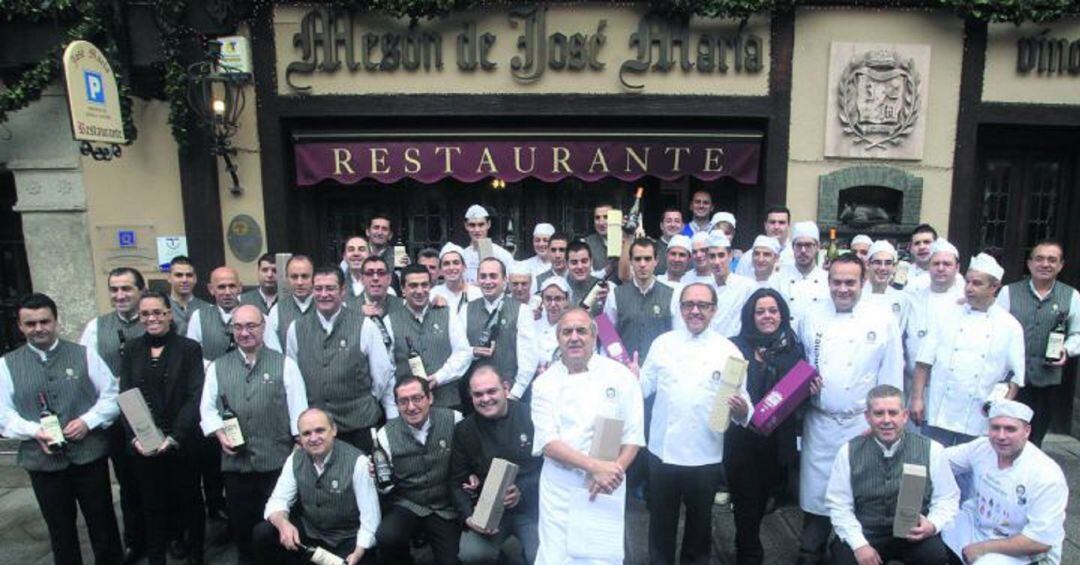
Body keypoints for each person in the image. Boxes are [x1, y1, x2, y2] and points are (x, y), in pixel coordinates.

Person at [0, 293, 123, 565]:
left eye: (44, 321)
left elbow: (111, 395)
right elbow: (3, 414)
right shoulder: (6, 365)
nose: (38, 328)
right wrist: (34, 431)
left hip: (88, 456)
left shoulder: (84, 354)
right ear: (20, 326)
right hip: (43, 462)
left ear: (56, 321)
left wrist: (87, 421)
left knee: (102, 521)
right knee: (60, 529)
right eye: (30, 324)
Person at [796, 254, 904, 564]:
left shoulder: (882, 318)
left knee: (860, 500)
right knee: (817, 503)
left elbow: (892, 376)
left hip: (862, 426)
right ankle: (809, 553)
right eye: (837, 282)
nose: (843, 289)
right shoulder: (811, 314)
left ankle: (852, 554)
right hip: (820, 423)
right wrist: (805, 387)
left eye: (850, 283)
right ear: (827, 281)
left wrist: (883, 423)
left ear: (863, 282)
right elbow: (799, 365)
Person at [640, 283, 751, 565]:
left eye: (702, 305)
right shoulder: (662, 344)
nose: (695, 311)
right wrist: (629, 376)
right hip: (662, 450)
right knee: (660, 523)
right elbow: (641, 389)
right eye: (689, 304)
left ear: (714, 310)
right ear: (680, 309)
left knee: (700, 525)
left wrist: (741, 410)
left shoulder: (729, 351)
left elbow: (742, 402)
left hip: (706, 453)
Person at [530, 308, 645, 564]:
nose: (574, 337)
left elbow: (633, 437)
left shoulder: (621, 376)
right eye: (566, 331)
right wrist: (595, 467)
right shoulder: (543, 384)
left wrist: (611, 474)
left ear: (594, 336)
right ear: (557, 339)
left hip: (606, 485)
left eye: (581, 330)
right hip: (560, 487)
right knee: (556, 557)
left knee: (600, 557)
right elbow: (548, 443)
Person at [200, 304, 308, 565]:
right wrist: (219, 433)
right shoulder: (218, 367)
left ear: (263, 327)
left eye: (251, 326)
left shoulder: (285, 364)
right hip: (236, 466)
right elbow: (207, 409)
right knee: (243, 528)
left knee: (275, 528)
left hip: (277, 464)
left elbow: (299, 412)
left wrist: (297, 448)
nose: (244, 332)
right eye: (238, 327)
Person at [825, 385, 959, 565]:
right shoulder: (848, 451)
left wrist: (933, 524)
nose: (886, 420)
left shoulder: (932, 450)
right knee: (844, 560)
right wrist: (859, 545)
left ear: (904, 416)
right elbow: (838, 503)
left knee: (934, 556)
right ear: (867, 417)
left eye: (893, 413)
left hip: (913, 533)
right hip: (866, 533)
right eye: (879, 413)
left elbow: (947, 497)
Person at [724, 288, 811, 565]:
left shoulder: (793, 350)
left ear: (782, 314)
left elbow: (796, 398)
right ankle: (749, 552)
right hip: (741, 441)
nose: (767, 316)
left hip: (776, 443)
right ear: (750, 316)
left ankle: (745, 541)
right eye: (760, 311)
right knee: (746, 502)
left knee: (761, 502)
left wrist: (810, 389)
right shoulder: (734, 346)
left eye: (773, 311)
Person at [120, 291, 207, 565]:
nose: (152, 318)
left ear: (169, 313)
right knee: (152, 505)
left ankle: (195, 555)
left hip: (181, 441)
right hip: (145, 444)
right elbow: (125, 395)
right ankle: (156, 557)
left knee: (190, 501)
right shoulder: (132, 349)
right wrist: (135, 438)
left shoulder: (189, 348)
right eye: (145, 314)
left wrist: (174, 437)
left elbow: (195, 396)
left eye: (157, 312)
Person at [910, 253, 1025, 447]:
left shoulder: (1010, 327)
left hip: (979, 417)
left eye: (977, 283)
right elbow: (923, 363)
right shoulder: (946, 315)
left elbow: (1015, 380)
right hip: (939, 411)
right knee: (926, 465)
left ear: (995, 287)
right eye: (968, 282)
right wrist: (917, 399)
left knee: (971, 473)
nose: (969, 288)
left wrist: (998, 415)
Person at [942, 400, 1068, 565]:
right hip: (981, 528)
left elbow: (1040, 541)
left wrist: (982, 548)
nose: (1001, 436)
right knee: (942, 523)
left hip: (1024, 552)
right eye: (995, 427)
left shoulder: (1046, 474)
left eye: (1010, 429)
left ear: (1026, 431)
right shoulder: (982, 447)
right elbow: (938, 459)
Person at [285, 266, 396, 451]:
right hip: (317, 429)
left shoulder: (365, 325)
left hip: (359, 423)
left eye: (330, 288)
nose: (324, 294)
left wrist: (361, 400)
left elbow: (382, 373)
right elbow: (293, 380)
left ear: (342, 290)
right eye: (318, 288)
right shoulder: (296, 328)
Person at [79, 266, 147, 563]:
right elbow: (85, 373)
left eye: (127, 289)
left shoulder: (154, 318)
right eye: (114, 289)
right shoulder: (97, 327)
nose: (120, 295)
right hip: (117, 417)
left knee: (162, 480)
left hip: (153, 412)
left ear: (141, 290)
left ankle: (172, 534)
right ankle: (135, 539)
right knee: (128, 481)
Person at [255, 408, 381, 565]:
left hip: (347, 539)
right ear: (299, 437)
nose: (313, 438)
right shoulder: (295, 458)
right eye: (306, 433)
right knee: (264, 532)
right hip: (311, 534)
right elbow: (277, 500)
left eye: (320, 430)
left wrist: (358, 552)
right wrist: (283, 524)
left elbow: (371, 518)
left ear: (333, 430)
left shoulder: (358, 462)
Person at [451, 366, 542, 564]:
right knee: (472, 555)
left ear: (506, 388)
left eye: (491, 391)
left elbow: (550, 470)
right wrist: (468, 516)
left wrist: (522, 491)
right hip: (487, 512)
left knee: (542, 556)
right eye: (478, 394)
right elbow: (456, 481)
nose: (485, 399)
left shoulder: (532, 417)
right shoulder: (463, 430)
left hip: (531, 509)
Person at [997, 240, 1080, 447]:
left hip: (1047, 379)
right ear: (1030, 263)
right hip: (1011, 378)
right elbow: (994, 330)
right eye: (1040, 259)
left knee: (1035, 435)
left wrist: (1066, 350)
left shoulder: (1071, 296)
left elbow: (1078, 333)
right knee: (1004, 430)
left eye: (1052, 260)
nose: (1045, 264)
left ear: (1060, 265)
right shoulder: (1008, 292)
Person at [374, 377, 463, 565]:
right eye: (403, 401)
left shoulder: (454, 419)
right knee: (386, 538)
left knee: (451, 561)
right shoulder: (385, 434)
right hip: (408, 503)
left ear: (430, 398)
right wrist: (378, 481)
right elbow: (385, 487)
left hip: (445, 505)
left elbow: (467, 460)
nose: (411, 407)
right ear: (397, 405)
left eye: (417, 398)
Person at [387, 264, 472, 409]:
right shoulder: (390, 321)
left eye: (424, 285)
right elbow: (387, 368)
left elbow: (464, 353)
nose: (420, 291)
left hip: (447, 403)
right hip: (409, 408)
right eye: (413, 285)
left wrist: (439, 377)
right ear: (403, 289)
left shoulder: (447, 313)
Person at [903, 239, 966, 402]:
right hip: (913, 387)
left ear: (957, 267)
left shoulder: (965, 302)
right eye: (936, 263)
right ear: (928, 266)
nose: (940, 268)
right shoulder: (912, 299)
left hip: (950, 390)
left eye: (947, 264)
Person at [465, 258, 537, 399]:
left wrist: (514, 395)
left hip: (510, 396)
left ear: (505, 280)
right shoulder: (466, 310)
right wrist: (472, 351)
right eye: (483, 276)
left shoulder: (522, 310)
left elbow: (528, 361)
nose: (488, 281)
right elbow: (458, 352)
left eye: (493, 276)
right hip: (477, 397)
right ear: (478, 279)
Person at [601, 238, 674, 362]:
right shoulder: (614, 294)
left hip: (660, 370)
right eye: (637, 259)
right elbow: (607, 335)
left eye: (647, 258)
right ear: (630, 262)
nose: (642, 264)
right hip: (624, 371)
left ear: (656, 261)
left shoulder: (672, 294)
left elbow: (676, 337)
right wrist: (621, 364)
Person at [674, 232, 755, 337]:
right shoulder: (705, 290)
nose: (717, 262)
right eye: (712, 256)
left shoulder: (746, 286)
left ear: (730, 256)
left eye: (721, 255)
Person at [774, 221, 828, 324]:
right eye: (799, 245)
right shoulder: (778, 278)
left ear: (817, 247)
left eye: (808, 245)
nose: (803, 250)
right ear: (792, 247)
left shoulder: (827, 279)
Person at [530, 276, 572, 387]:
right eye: (548, 299)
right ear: (542, 300)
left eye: (558, 299)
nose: (553, 304)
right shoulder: (533, 323)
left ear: (566, 300)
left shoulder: (573, 325)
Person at [267, 255, 315, 349]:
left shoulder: (327, 307)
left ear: (313, 277)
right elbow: (273, 351)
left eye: (305, 276)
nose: (299, 282)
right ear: (287, 278)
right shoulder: (276, 311)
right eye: (294, 277)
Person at [860, 240, 910, 331]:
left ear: (894, 267)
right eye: (877, 262)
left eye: (888, 263)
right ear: (867, 265)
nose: (883, 268)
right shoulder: (857, 295)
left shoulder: (901, 298)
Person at [462, 205, 516, 283]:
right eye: (472, 225)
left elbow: (511, 283)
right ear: (466, 226)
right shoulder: (462, 255)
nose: (477, 230)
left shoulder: (502, 255)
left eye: (481, 225)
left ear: (488, 224)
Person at [736, 206, 793, 278]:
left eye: (781, 222)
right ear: (765, 225)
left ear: (788, 225)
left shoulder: (795, 255)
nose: (776, 227)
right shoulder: (748, 258)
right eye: (772, 222)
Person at [430, 243, 482, 314]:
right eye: (446, 264)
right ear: (441, 270)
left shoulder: (478, 294)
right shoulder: (433, 294)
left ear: (464, 267)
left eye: (456, 263)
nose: (451, 268)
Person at [169, 256, 210, 336]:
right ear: (169, 278)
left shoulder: (208, 309)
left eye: (189, 275)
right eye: (179, 275)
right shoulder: (161, 309)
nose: (184, 280)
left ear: (195, 279)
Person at [566, 240, 606, 306]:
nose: (580, 267)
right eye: (574, 262)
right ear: (566, 264)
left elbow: (611, 316)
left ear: (591, 262)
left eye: (584, 261)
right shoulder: (559, 287)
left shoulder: (603, 287)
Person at [583, 203, 613, 272]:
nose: (601, 223)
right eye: (597, 218)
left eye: (606, 217)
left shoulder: (626, 241)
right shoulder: (585, 244)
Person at [655, 207, 685, 274]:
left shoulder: (689, 249)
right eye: (668, 221)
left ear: (683, 226)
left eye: (677, 221)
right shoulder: (652, 249)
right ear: (661, 225)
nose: (673, 225)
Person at [341, 235, 372, 300]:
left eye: (361, 249)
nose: (356, 253)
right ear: (344, 256)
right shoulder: (337, 283)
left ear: (370, 255)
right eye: (351, 250)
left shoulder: (382, 281)